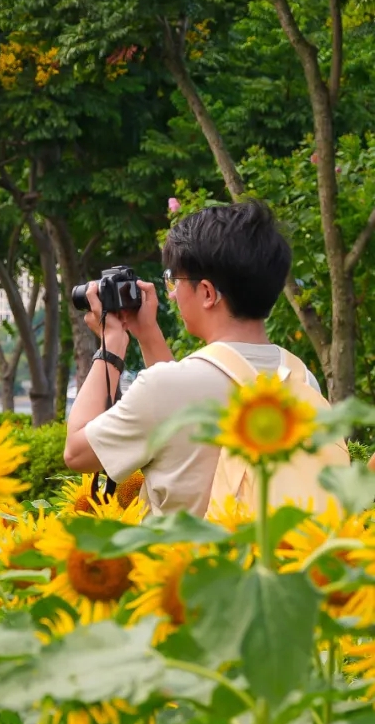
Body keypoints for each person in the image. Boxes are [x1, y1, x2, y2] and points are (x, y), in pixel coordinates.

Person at [64, 200, 325, 517]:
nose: (171, 294)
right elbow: (175, 397)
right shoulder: (300, 379)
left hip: (187, 565)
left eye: (174, 281)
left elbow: (77, 453)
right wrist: (148, 334)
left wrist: (111, 345)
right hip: (276, 562)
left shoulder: (168, 388)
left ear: (207, 293)